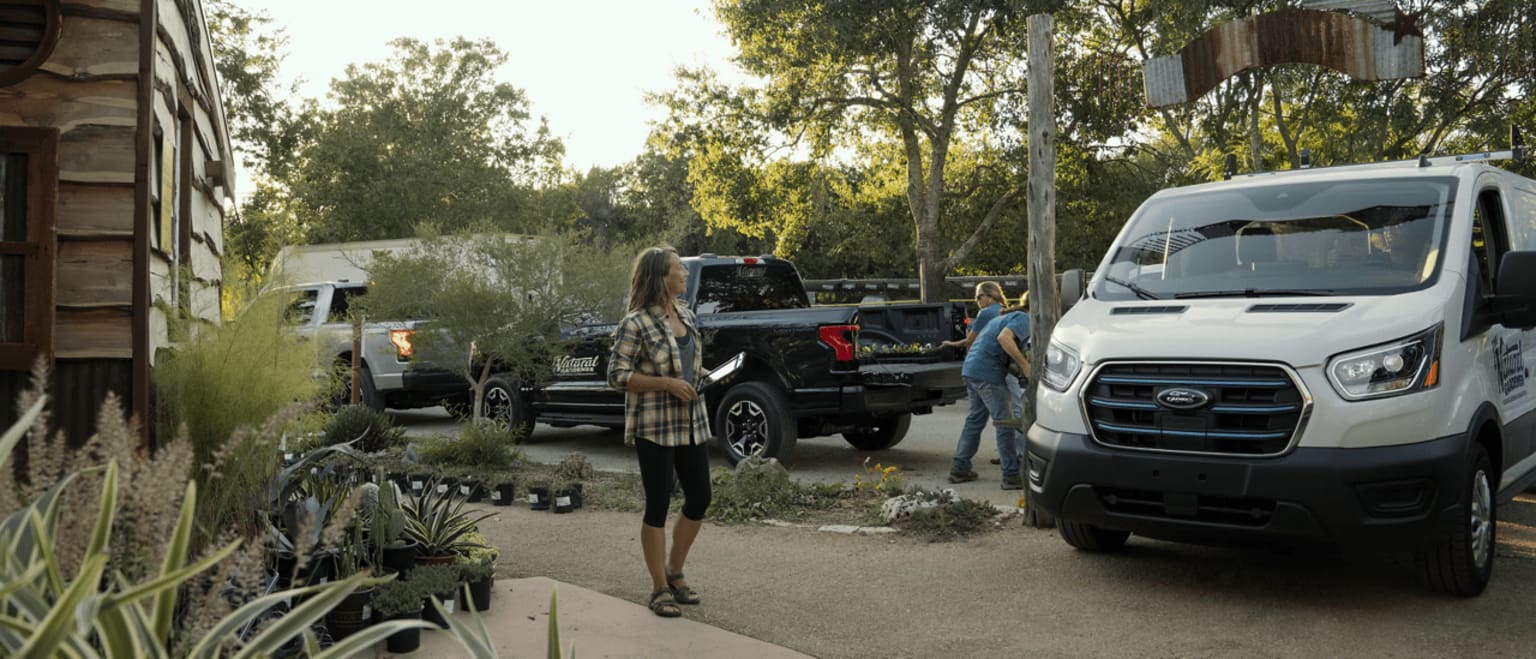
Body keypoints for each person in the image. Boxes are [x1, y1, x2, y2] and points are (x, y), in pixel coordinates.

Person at [607, 245, 712, 618]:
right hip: (654, 425)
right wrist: (666, 384)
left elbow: (690, 366)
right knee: (658, 503)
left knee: (700, 497)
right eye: (677, 268)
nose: (684, 272)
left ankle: (675, 570)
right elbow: (617, 376)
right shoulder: (634, 323)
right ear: (660, 277)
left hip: (691, 422)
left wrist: (704, 379)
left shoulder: (687, 314)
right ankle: (658, 588)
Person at [948, 302, 1031, 489]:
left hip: (971, 370)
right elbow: (1004, 339)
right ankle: (1011, 476)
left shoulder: (1005, 317)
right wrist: (1026, 367)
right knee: (1005, 424)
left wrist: (1020, 372)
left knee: (975, 420)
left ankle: (960, 468)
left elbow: (1000, 353)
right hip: (987, 374)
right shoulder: (1024, 318)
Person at [941, 281, 1007, 350]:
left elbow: (968, 341)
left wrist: (949, 344)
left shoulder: (985, 313)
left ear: (990, 296)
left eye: (979, 297)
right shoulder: (1004, 309)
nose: (977, 300)